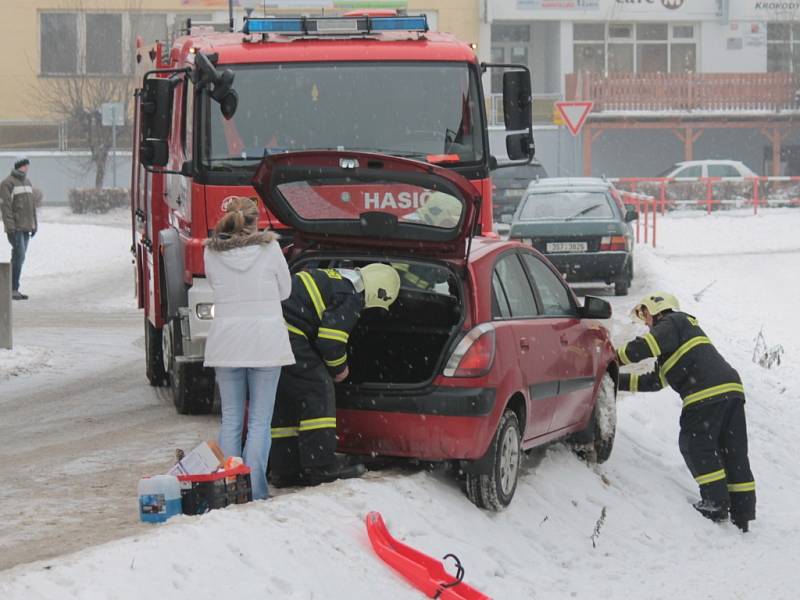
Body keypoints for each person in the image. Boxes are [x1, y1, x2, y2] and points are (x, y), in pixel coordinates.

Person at [616, 292, 756, 532]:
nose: (646, 323)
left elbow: (646, 346)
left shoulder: (674, 321)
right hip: (730, 390)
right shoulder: (679, 335)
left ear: (657, 308)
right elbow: (655, 382)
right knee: (732, 451)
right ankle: (741, 513)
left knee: (695, 443)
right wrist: (615, 380)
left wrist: (612, 358)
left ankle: (715, 503)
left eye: (646, 315)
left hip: (705, 392)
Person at [269, 263, 401, 488]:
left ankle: (284, 468)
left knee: (286, 399)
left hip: (272, 330)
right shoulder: (351, 296)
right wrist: (340, 370)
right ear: (378, 292)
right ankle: (321, 465)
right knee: (319, 388)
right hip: (289, 333)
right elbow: (330, 341)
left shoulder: (337, 280)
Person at [203, 197, 294, 501]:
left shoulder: (211, 252)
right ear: (256, 221)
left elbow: (216, 286)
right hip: (265, 342)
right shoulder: (270, 249)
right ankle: (253, 490)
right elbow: (286, 290)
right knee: (259, 421)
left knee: (230, 419)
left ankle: (229, 487)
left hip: (226, 342)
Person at [0, 156, 38, 300]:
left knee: (18, 258)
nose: (26, 168)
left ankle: (10, 288)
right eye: (24, 166)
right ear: (17, 167)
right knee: (19, 255)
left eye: (27, 165)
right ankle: (12, 288)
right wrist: (10, 227)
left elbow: (32, 206)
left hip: (26, 227)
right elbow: (6, 207)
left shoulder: (27, 182)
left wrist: (34, 224)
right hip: (15, 228)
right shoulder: (7, 183)